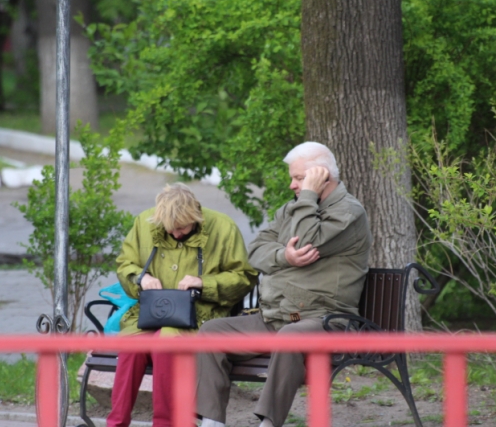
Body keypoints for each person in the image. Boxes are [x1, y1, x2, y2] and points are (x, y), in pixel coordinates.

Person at [196, 142, 372, 427]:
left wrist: (308, 195)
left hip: (325, 320)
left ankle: (268, 422)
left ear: (322, 175)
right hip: (278, 318)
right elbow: (256, 251)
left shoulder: (349, 212)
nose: (292, 185)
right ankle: (211, 422)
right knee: (211, 332)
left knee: (290, 336)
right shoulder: (291, 209)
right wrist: (284, 256)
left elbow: (306, 241)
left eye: (299, 178)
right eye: (293, 178)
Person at [106, 182, 258, 427]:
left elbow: (244, 278)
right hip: (150, 314)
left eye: (182, 228)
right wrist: (141, 278)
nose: (176, 234)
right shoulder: (144, 222)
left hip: (202, 314)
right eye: (170, 229)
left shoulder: (223, 227)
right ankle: (115, 423)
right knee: (131, 346)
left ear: (195, 217)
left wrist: (203, 283)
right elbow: (125, 265)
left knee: (165, 342)